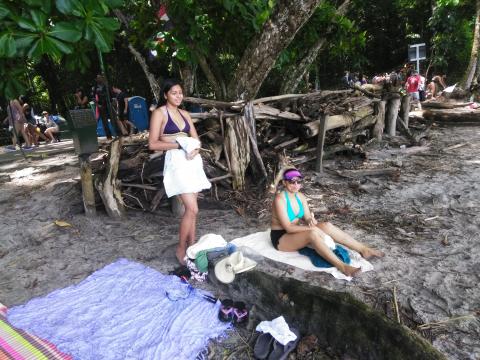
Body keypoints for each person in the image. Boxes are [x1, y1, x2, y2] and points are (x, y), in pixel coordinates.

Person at [270, 168, 384, 277]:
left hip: (295, 232)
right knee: (312, 234)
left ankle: (364, 249)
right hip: (282, 237)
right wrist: (312, 228)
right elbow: (289, 228)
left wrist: (310, 220)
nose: (296, 185)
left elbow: (307, 217)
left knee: (326, 226)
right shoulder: (280, 199)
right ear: (285, 182)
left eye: (298, 182)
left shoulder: (300, 196)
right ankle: (343, 267)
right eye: (292, 182)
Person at [148, 79, 211, 264]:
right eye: (174, 92)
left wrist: (195, 149)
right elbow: (152, 144)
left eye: (180, 92)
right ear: (165, 94)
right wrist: (179, 145)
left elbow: (196, 139)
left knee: (192, 211)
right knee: (192, 208)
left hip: (192, 161)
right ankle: (180, 248)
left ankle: (192, 246)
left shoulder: (184, 113)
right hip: (175, 161)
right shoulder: (160, 113)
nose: (178, 96)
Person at [92, 75, 113, 139]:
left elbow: (111, 95)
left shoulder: (106, 86)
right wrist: (98, 105)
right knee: (105, 122)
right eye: (97, 78)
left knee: (114, 119)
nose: (99, 79)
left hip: (109, 104)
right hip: (101, 105)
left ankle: (117, 133)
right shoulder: (95, 88)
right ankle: (109, 136)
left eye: (100, 78)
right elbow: (93, 98)